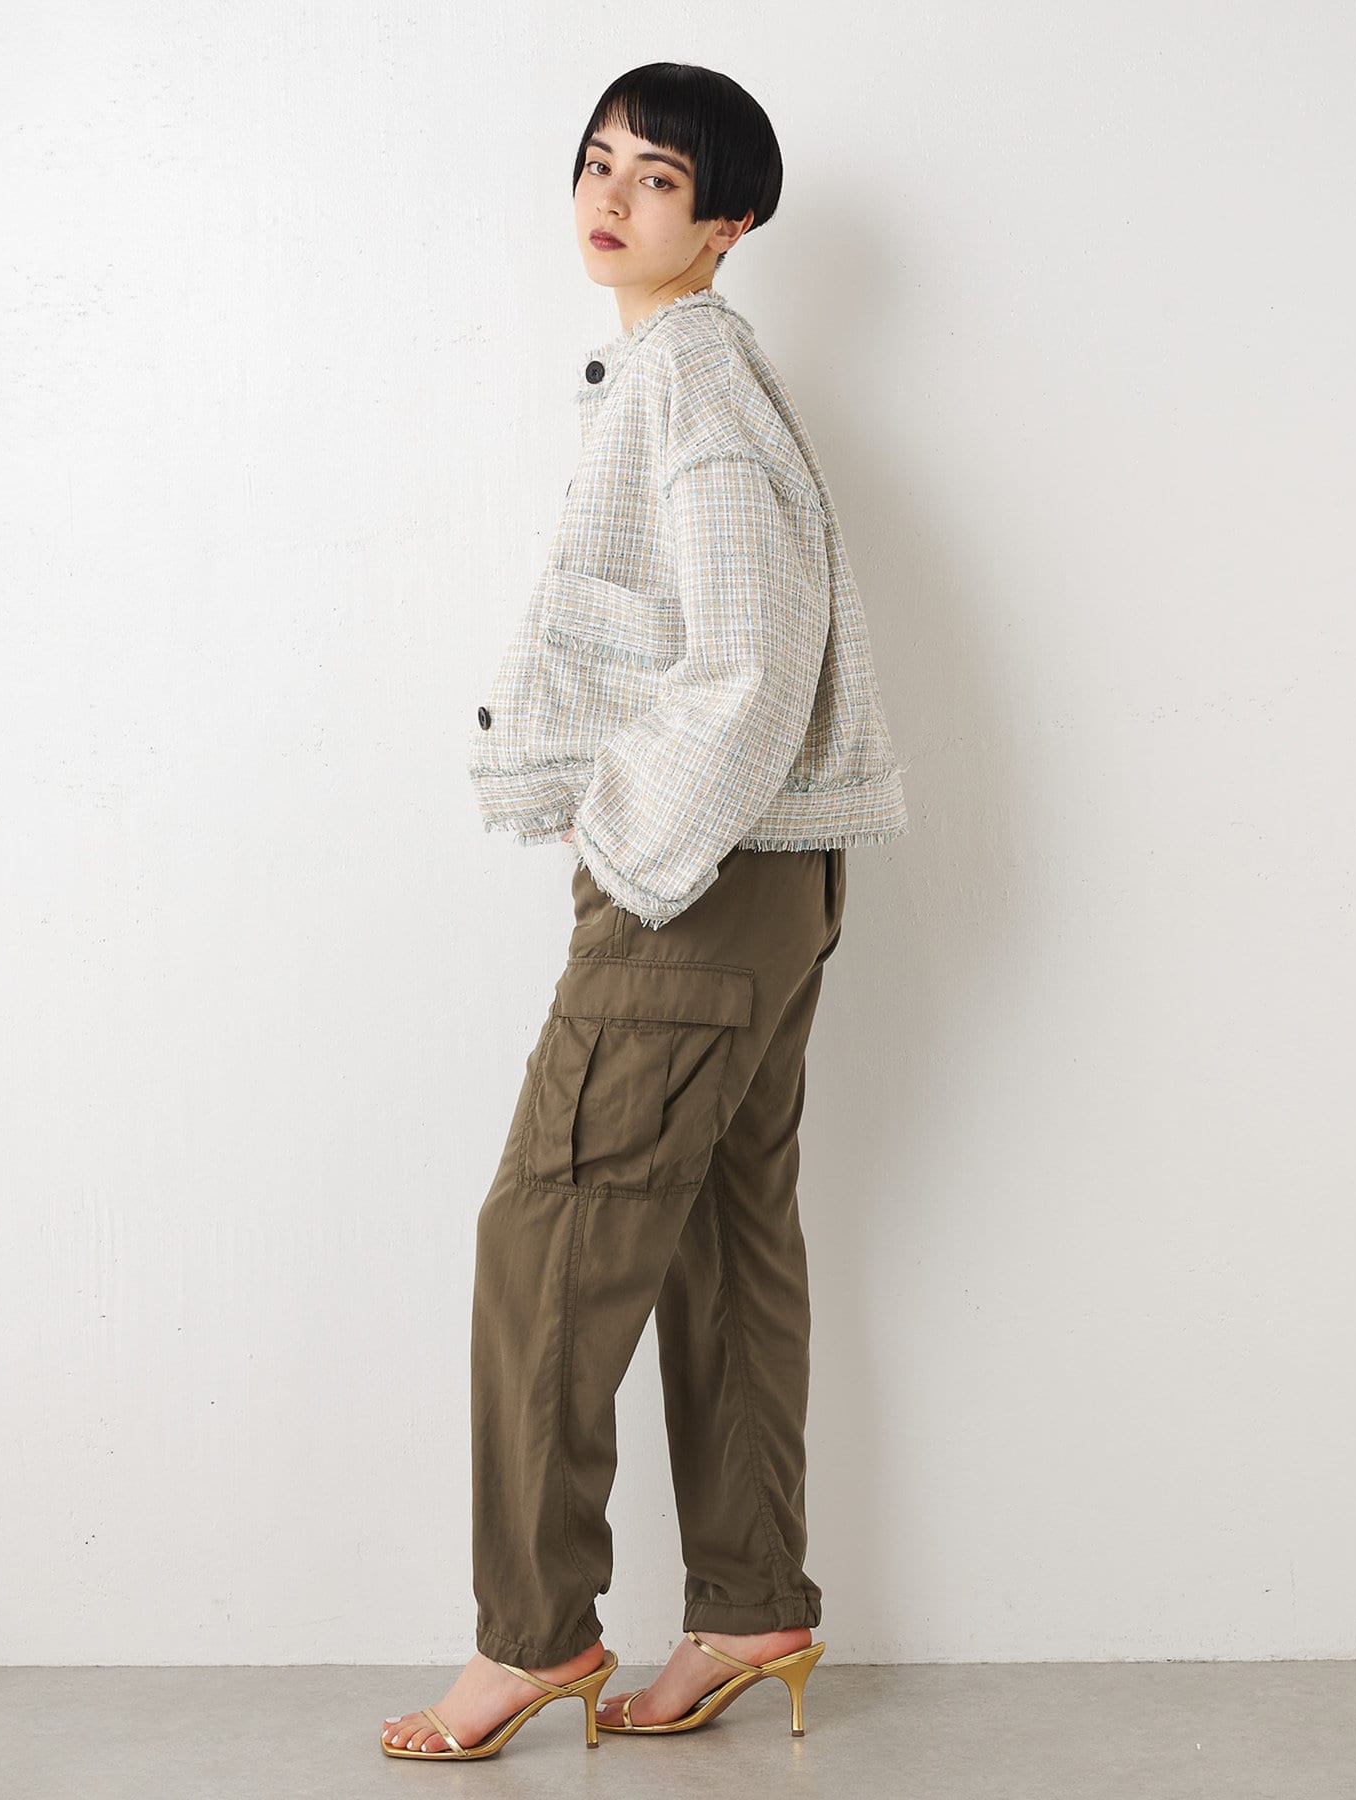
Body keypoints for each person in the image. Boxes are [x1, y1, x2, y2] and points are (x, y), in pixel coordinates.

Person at [381, 61, 909, 1762]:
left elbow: (747, 656)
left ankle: (532, 1637)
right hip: (768, 877)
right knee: (717, 1237)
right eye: (598, 161)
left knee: (545, 1234)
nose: (612, 197)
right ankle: (750, 1603)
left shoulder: (690, 379)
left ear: (728, 221)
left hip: (698, 880)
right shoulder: (692, 373)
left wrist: (627, 839)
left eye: (659, 178)